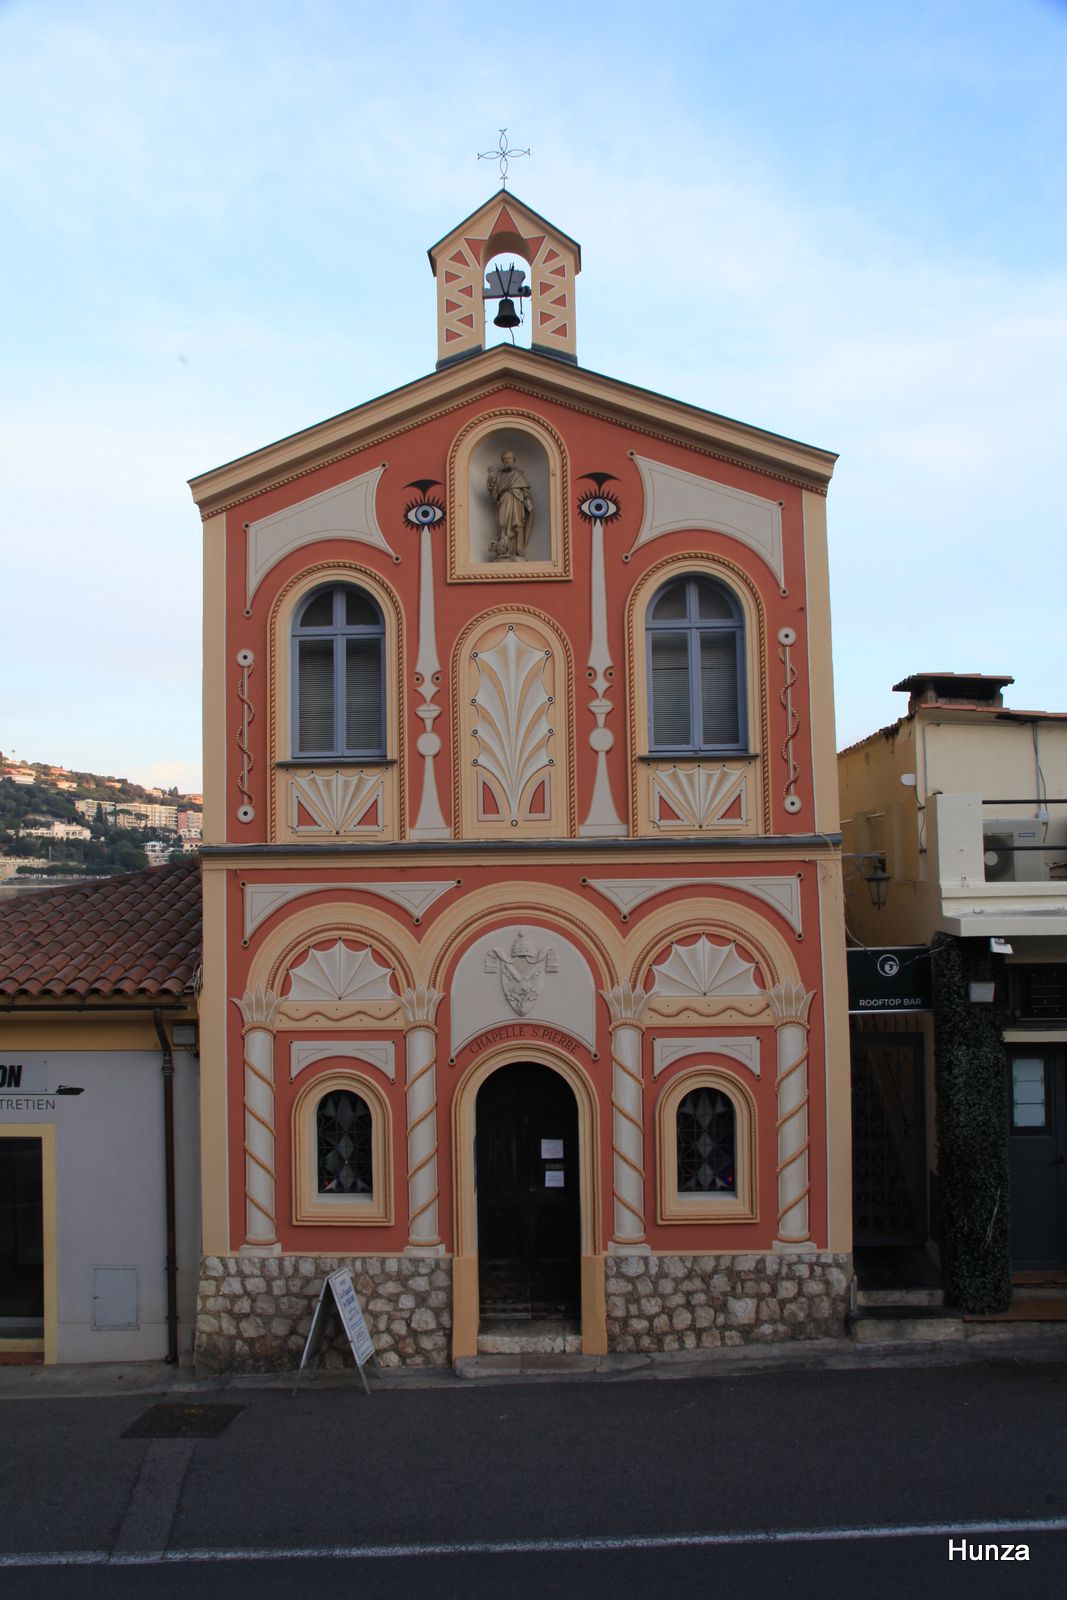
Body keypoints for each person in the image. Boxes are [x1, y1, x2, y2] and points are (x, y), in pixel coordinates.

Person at [486, 449, 533, 560]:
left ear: (514, 460)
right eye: (505, 459)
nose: (507, 461)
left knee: (518, 524)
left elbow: (526, 492)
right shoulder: (499, 475)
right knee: (503, 525)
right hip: (503, 502)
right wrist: (491, 477)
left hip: (516, 504)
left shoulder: (518, 475)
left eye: (509, 458)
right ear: (502, 461)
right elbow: (494, 490)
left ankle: (519, 551)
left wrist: (528, 500)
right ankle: (504, 551)